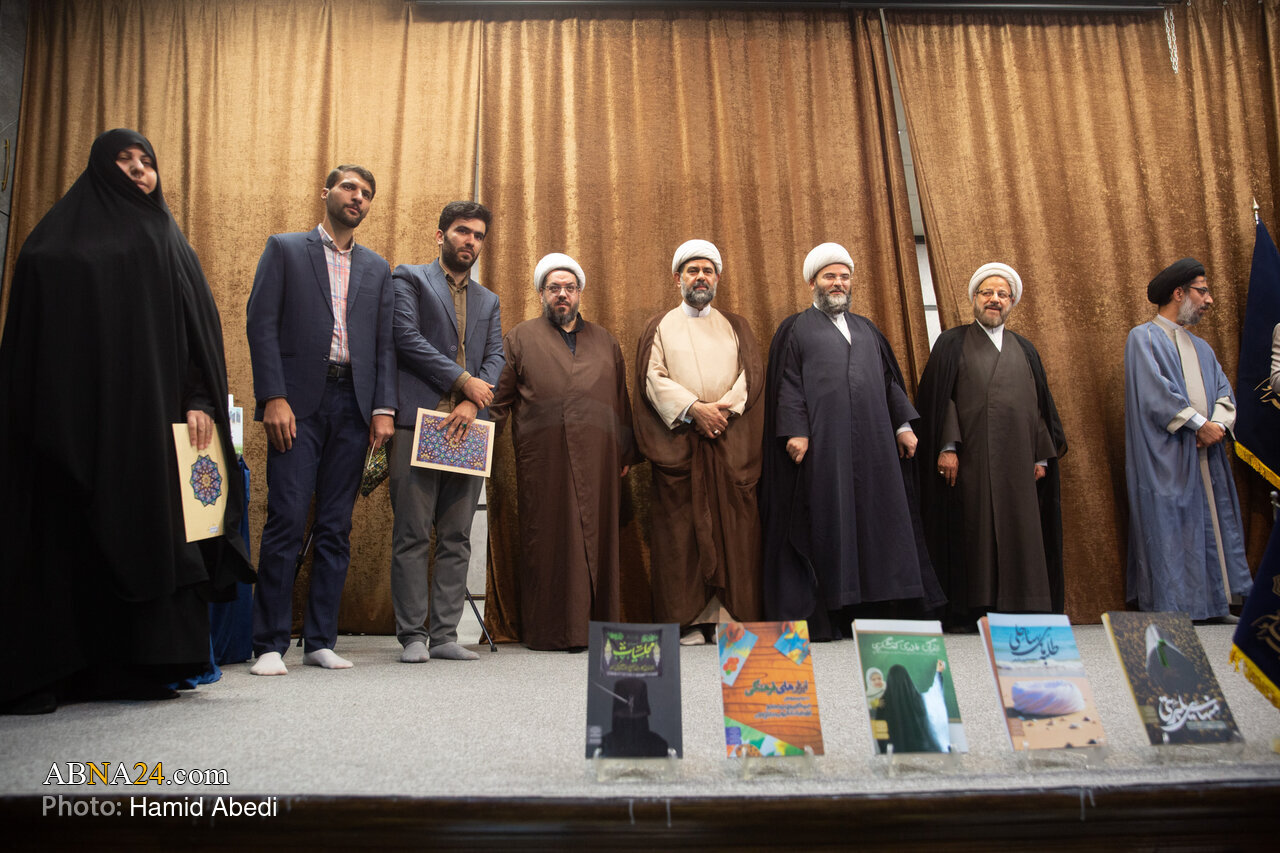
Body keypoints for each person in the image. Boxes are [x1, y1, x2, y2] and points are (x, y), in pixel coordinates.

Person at [0, 128, 253, 713]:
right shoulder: (53, 246)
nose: (140, 170)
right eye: (125, 159)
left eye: (147, 161)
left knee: (149, 533)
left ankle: (143, 665)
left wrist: (200, 401)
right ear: (98, 167)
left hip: (152, 428)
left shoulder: (170, 242)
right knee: (66, 537)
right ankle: (60, 667)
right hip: (72, 428)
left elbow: (199, 336)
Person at [245, 164, 397, 676]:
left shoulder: (378, 268)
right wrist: (273, 397)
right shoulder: (285, 249)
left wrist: (383, 409)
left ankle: (320, 641)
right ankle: (269, 644)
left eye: (367, 193)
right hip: (297, 405)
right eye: (350, 187)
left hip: (354, 407)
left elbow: (385, 345)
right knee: (287, 519)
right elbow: (261, 324)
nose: (358, 197)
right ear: (326, 192)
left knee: (336, 526)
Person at [761, 243, 943, 640]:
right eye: (830, 276)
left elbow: (889, 381)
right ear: (812, 282)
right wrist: (795, 429)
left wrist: (903, 426)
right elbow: (788, 382)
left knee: (879, 522)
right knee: (831, 518)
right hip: (825, 447)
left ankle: (876, 606)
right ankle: (836, 607)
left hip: (876, 446)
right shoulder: (795, 328)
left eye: (844, 277)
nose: (838, 283)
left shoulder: (867, 329)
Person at [489, 253, 638, 650]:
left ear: (579, 293)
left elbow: (620, 401)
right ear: (541, 293)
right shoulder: (520, 338)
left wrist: (624, 454)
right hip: (545, 461)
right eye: (553, 288)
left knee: (598, 540)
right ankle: (554, 630)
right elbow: (498, 401)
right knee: (552, 541)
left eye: (569, 288)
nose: (562, 294)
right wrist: (474, 441)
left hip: (600, 461)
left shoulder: (605, 341)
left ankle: (598, 628)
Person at [915, 262, 1067, 630]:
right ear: (974, 299)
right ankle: (975, 606)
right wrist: (947, 447)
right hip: (971, 461)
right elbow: (942, 400)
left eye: (1002, 294)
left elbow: (1039, 406)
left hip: (1020, 462)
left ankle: (1024, 605)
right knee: (975, 531)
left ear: (1011, 302)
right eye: (987, 293)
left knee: (1021, 530)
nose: (994, 299)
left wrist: (1042, 456)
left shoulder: (1025, 349)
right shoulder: (952, 343)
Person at [633, 240, 764, 645]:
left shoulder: (737, 325)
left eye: (708, 270)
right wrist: (694, 409)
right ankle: (688, 621)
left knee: (734, 534)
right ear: (678, 278)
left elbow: (751, 375)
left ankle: (729, 618)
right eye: (693, 271)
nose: (701, 277)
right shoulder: (660, 326)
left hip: (728, 441)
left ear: (718, 277)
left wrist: (721, 412)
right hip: (681, 445)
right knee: (680, 537)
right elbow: (651, 377)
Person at [389, 201, 503, 662]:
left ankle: (444, 636)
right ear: (441, 235)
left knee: (457, 536)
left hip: (468, 428)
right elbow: (405, 338)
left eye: (477, 235)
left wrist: (474, 401)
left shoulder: (489, 300)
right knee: (413, 533)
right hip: (419, 421)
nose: (469, 241)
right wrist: (463, 381)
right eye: (461, 231)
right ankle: (413, 636)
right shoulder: (410, 278)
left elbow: (496, 357)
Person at [1124, 258, 1252, 621]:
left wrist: (1218, 427)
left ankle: (1215, 603)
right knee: (1170, 527)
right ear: (1179, 293)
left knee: (1212, 522)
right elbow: (1155, 394)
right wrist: (1198, 426)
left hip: (1207, 453)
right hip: (1167, 456)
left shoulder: (1202, 348)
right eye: (1202, 291)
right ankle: (1176, 607)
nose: (1209, 300)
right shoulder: (1143, 338)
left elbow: (1224, 392)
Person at [876, 660, 950, 754]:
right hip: (921, 752)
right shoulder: (916, 699)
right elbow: (935, 695)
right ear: (907, 679)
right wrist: (938, 673)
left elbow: (880, 733)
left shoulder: (883, 703)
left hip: (895, 755)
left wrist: (886, 752)